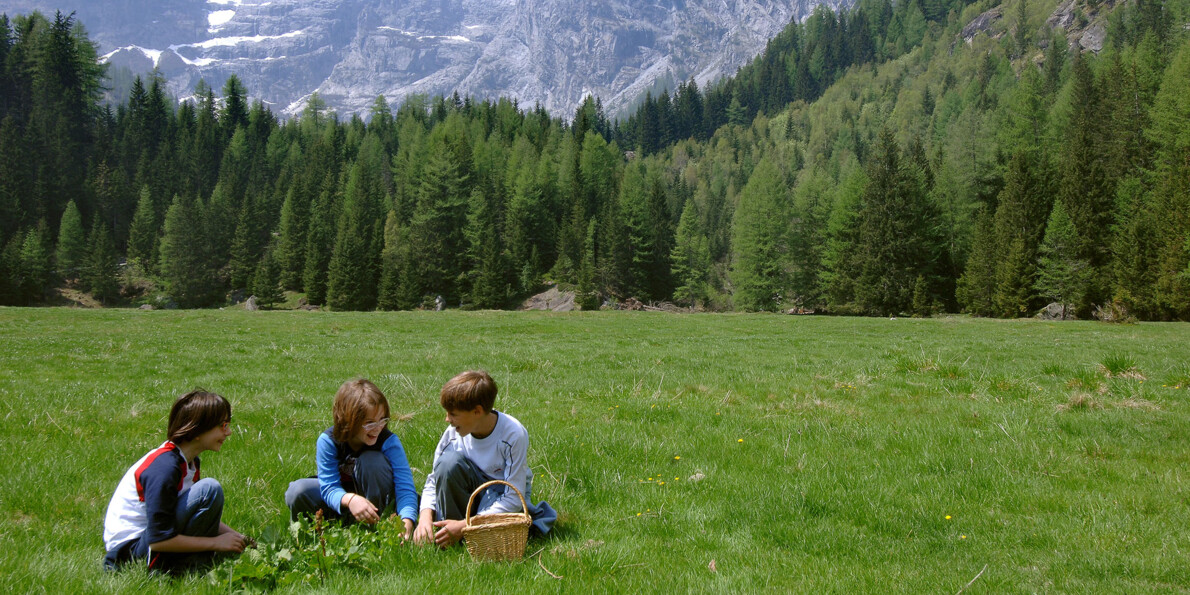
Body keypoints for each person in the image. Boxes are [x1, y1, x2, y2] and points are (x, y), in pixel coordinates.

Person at [102, 389, 246, 573]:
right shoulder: (164, 468)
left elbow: (194, 512)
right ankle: (182, 567)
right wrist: (216, 543)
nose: (229, 432)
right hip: (128, 556)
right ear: (198, 430)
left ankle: (190, 567)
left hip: (149, 543)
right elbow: (158, 540)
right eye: (223, 425)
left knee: (208, 493)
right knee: (210, 489)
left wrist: (236, 537)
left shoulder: (189, 462)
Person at [413, 370, 556, 548]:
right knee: (447, 463)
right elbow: (434, 480)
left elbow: (513, 498)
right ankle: (450, 534)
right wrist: (425, 519)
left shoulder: (512, 434)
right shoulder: (453, 434)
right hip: (468, 495)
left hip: (500, 499)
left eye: (453, 414)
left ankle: (465, 533)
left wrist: (466, 525)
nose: (447, 419)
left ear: (477, 411)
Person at [284, 379, 418, 540]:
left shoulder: (389, 442)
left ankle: (377, 527)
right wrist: (351, 500)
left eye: (382, 420)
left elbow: (405, 488)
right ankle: (310, 535)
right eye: (369, 423)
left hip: (376, 501)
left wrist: (407, 524)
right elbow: (329, 487)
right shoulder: (328, 441)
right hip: (341, 499)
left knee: (372, 461)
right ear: (349, 421)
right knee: (298, 490)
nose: (377, 428)